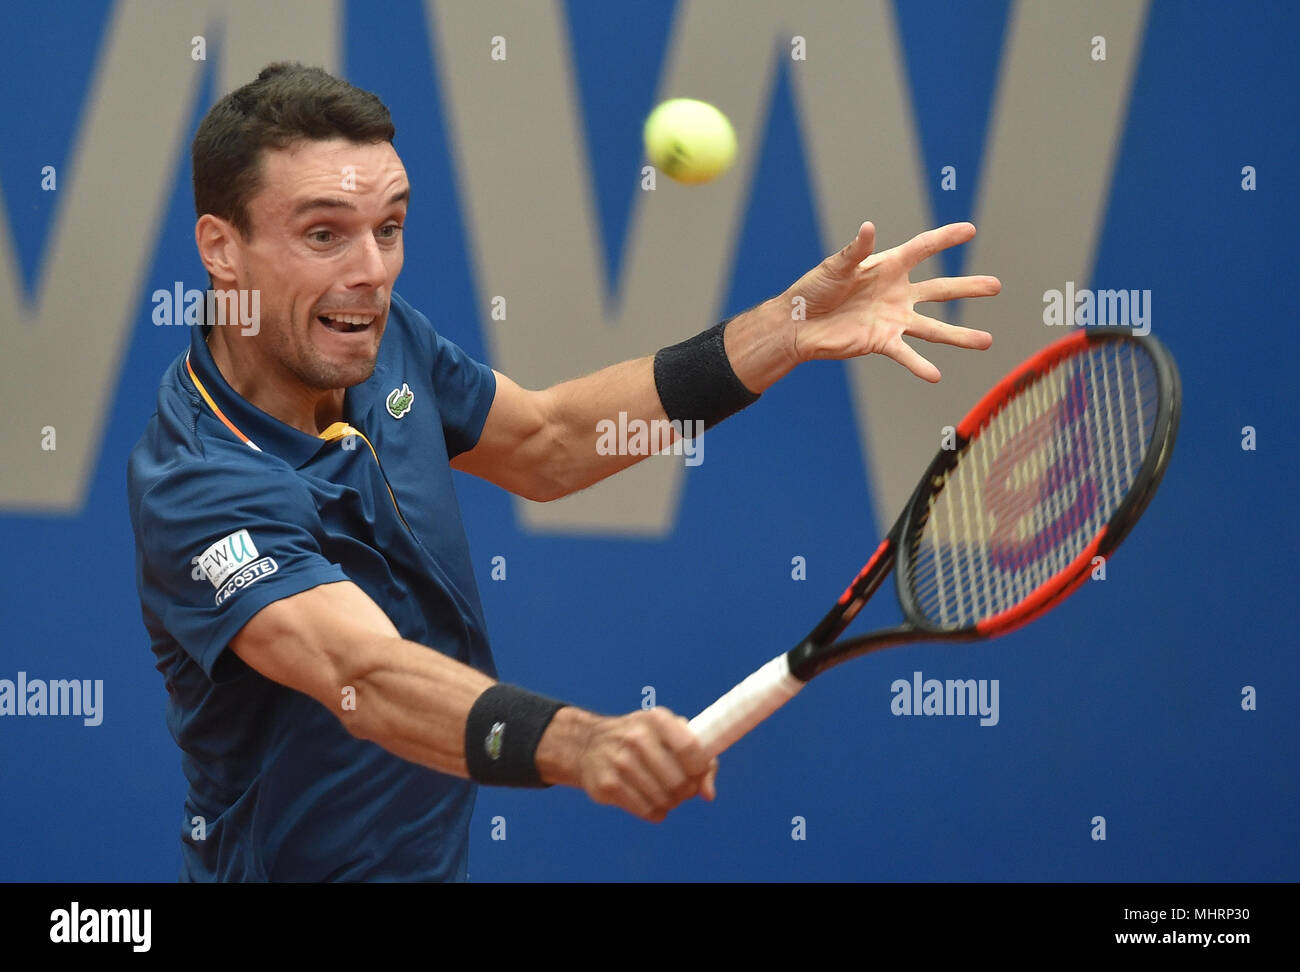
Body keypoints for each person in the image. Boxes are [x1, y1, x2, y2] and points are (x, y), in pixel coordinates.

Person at [127, 63, 1000, 882]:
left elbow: (550, 444)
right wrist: (582, 745)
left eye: (389, 228)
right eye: (324, 234)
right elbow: (367, 677)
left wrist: (786, 328)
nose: (370, 273)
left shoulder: (378, 341)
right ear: (222, 249)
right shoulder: (199, 484)